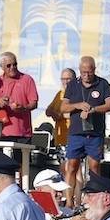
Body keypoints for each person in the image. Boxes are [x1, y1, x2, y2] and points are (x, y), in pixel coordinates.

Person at [62, 56, 110, 205]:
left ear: (94, 70)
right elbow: (63, 107)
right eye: (84, 72)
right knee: (72, 166)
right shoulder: (73, 85)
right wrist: (77, 105)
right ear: (80, 70)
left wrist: (94, 109)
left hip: (94, 133)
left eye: (89, 72)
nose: (86, 75)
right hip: (76, 133)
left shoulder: (103, 84)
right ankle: (69, 202)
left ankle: (95, 199)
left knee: (94, 166)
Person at [0, 51, 39, 166]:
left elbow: (34, 103)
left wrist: (23, 108)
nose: (12, 67)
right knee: (0, 166)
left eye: (15, 64)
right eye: (9, 65)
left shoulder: (26, 79)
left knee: (22, 167)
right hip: (2, 132)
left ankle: (23, 184)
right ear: (2, 67)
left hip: (22, 133)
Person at [45, 68, 76, 204]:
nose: (65, 82)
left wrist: (61, 115)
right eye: (63, 79)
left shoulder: (76, 94)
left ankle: (72, 199)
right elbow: (48, 110)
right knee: (63, 169)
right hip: (60, 138)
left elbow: (74, 114)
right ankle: (63, 196)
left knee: (73, 169)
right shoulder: (60, 94)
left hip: (73, 137)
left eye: (68, 79)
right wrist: (53, 113)